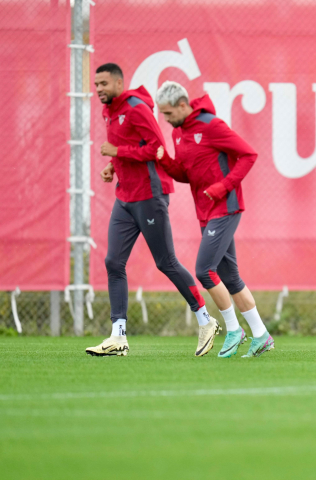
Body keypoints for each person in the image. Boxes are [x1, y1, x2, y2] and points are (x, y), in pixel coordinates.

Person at [86, 64, 208, 358]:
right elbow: (126, 146)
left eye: (104, 83)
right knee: (114, 262)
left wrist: (118, 154)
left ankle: (206, 320)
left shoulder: (136, 108)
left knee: (166, 262)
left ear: (119, 82)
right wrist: (112, 166)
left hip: (150, 195)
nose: (99, 88)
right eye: (96, 84)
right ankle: (118, 336)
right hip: (125, 197)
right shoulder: (110, 111)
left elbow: (157, 148)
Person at [154, 81, 274, 358]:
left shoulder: (211, 125)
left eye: (169, 113)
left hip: (226, 207)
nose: (167, 119)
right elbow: (187, 174)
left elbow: (248, 154)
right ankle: (261, 335)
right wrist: (164, 161)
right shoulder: (178, 133)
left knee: (204, 270)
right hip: (205, 211)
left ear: (183, 105)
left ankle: (234, 329)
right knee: (230, 277)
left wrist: (224, 186)